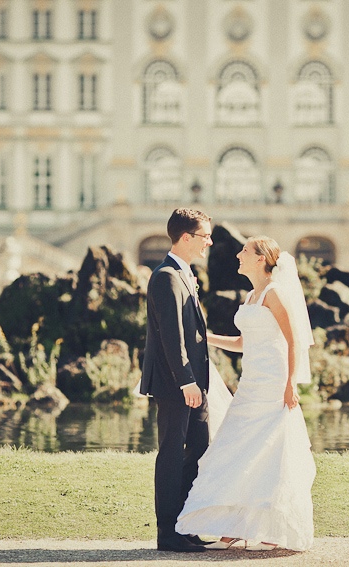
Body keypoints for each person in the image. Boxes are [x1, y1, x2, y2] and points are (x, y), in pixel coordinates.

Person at [176, 236, 316, 552]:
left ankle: (269, 532)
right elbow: (242, 343)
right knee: (238, 450)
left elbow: (293, 341)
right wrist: (204, 338)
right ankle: (235, 529)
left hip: (273, 384)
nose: (238, 254)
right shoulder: (252, 295)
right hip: (251, 384)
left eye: (245, 250)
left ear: (261, 258)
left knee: (269, 452)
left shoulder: (274, 293)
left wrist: (290, 383)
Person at [139, 208, 214, 553]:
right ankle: (168, 532)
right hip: (176, 385)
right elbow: (172, 336)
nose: (209, 242)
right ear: (187, 238)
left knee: (199, 449)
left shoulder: (184, 274)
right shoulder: (166, 276)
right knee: (171, 453)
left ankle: (187, 524)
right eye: (204, 236)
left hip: (195, 383)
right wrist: (186, 381)